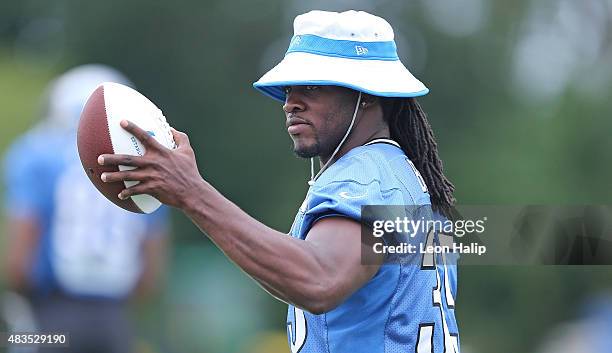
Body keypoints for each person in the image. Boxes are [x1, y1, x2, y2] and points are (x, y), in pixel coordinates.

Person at [97, 10, 459, 353]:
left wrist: (193, 193)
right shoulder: (403, 175)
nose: (291, 103)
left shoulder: (364, 175)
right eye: (289, 89)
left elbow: (319, 281)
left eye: (312, 87)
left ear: (366, 94)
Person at [2, 64, 170, 353]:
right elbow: (151, 270)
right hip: (115, 320)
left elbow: (20, 262)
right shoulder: (146, 162)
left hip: (50, 314)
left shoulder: (34, 153)